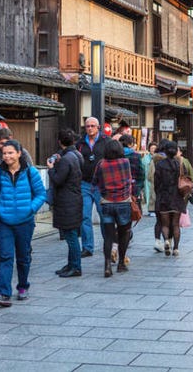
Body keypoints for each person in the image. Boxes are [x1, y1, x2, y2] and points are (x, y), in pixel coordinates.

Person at [0, 140, 46, 307]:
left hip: (25, 221)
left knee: (23, 256)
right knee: (5, 256)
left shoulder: (31, 172)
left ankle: (23, 286)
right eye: (4, 153)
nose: (7, 156)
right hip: (4, 222)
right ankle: (3, 293)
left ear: (19, 153)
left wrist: (30, 209)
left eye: (10, 153)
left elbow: (41, 194)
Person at [0, 127, 33, 274]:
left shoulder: (22, 152)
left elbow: (30, 174)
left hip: (22, 200)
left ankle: (25, 256)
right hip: (4, 201)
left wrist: (31, 206)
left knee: (23, 240)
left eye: (4, 143)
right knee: (2, 237)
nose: (2, 147)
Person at [92, 139, 132, 277]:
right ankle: (121, 263)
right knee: (123, 233)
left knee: (108, 237)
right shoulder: (125, 163)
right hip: (123, 201)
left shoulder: (101, 164)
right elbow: (129, 180)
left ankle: (107, 265)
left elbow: (94, 181)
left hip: (107, 202)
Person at [47, 129, 83, 278]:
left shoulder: (67, 159)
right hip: (74, 198)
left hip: (67, 201)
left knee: (71, 236)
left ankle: (75, 266)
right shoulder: (76, 155)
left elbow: (57, 179)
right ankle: (71, 264)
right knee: (71, 235)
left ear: (60, 141)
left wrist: (50, 169)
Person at [76, 116, 111, 258]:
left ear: (98, 127)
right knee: (84, 216)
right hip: (84, 183)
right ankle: (87, 247)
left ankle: (107, 244)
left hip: (101, 185)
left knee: (104, 216)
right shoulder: (80, 143)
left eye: (92, 126)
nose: (89, 128)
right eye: (87, 126)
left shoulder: (106, 142)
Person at [154, 141, 187, 257]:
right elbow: (185, 179)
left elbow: (156, 182)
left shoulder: (159, 165)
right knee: (176, 224)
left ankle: (167, 241)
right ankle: (176, 248)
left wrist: (158, 193)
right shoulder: (180, 164)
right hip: (177, 197)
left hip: (164, 197)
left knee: (165, 224)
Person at [117, 134, 144, 264]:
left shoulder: (114, 156)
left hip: (115, 193)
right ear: (131, 144)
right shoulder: (136, 156)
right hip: (131, 192)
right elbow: (141, 174)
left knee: (115, 221)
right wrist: (138, 189)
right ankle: (122, 252)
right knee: (127, 222)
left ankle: (114, 246)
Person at [142, 142, 158, 215]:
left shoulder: (158, 158)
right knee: (148, 194)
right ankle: (150, 209)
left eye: (155, 148)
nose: (153, 150)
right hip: (147, 179)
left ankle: (155, 208)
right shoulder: (145, 158)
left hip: (156, 179)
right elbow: (142, 168)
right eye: (152, 148)